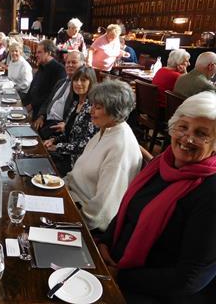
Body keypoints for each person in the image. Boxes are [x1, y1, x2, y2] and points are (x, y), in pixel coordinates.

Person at [98, 91, 216, 303]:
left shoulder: (210, 192)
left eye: (201, 134)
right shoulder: (161, 162)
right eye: (183, 127)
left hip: (155, 291)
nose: (187, 138)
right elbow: (129, 209)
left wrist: (120, 277)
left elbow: (189, 279)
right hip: (116, 263)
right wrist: (104, 242)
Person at [65, 80, 142, 232]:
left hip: (82, 215)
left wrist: (74, 220)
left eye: (98, 107)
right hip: (70, 196)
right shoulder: (105, 129)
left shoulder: (120, 146)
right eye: (92, 105)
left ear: (115, 111)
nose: (90, 111)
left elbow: (104, 208)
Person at [44, 66, 99, 176]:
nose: (78, 83)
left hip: (77, 163)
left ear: (91, 83)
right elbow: (70, 133)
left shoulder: (92, 109)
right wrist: (54, 140)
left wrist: (58, 147)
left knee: (42, 169)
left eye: (83, 80)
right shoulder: (75, 103)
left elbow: (84, 145)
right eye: (75, 79)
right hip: (67, 155)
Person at [33, 50, 84, 139]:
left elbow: (79, 111)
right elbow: (49, 100)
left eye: (74, 62)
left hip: (58, 126)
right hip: (46, 121)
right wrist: (41, 116)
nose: (70, 65)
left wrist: (67, 124)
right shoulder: (61, 82)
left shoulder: (80, 87)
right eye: (68, 62)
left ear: (83, 64)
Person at [23, 39, 66, 117]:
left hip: (43, 113)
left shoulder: (59, 70)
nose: (36, 55)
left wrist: (32, 106)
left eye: (39, 52)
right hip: (32, 109)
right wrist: (23, 105)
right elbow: (32, 87)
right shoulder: (42, 66)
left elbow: (52, 95)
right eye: (36, 52)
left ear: (48, 53)